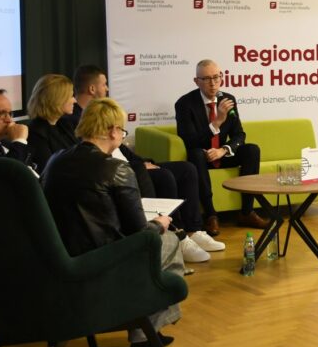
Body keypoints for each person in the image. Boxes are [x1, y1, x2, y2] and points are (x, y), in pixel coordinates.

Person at [41, 98, 184, 347]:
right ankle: (144, 332)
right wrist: (159, 223)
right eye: (122, 130)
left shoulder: (55, 160)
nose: (122, 136)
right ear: (112, 131)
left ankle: (146, 329)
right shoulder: (116, 168)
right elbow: (139, 234)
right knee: (170, 241)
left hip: (61, 261)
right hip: (106, 262)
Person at [70, 65, 222, 262]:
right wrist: (139, 166)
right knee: (165, 175)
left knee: (186, 169)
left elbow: (125, 152)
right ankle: (178, 234)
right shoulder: (82, 128)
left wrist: (143, 162)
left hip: (129, 167)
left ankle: (195, 230)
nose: (107, 88)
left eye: (216, 77)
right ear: (113, 131)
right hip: (121, 178)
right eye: (122, 131)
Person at [175, 59, 266, 234]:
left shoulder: (228, 99)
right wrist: (216, 123)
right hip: (202, 157)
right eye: (206, 79)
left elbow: (239, 134)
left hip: (221, 153)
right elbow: (189, 141)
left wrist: (223, 150)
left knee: (251, 150)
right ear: (196, 81)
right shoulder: (185, 104)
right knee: (196, 154)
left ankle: (247, 212)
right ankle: (211, 215)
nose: (213, 83)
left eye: (216, 77)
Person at [26, 74, 78, 169]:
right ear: (57, 99)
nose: (75, 100)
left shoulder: (65, 124)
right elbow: (49, 168)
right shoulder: (36, 133)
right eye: (71, 96)